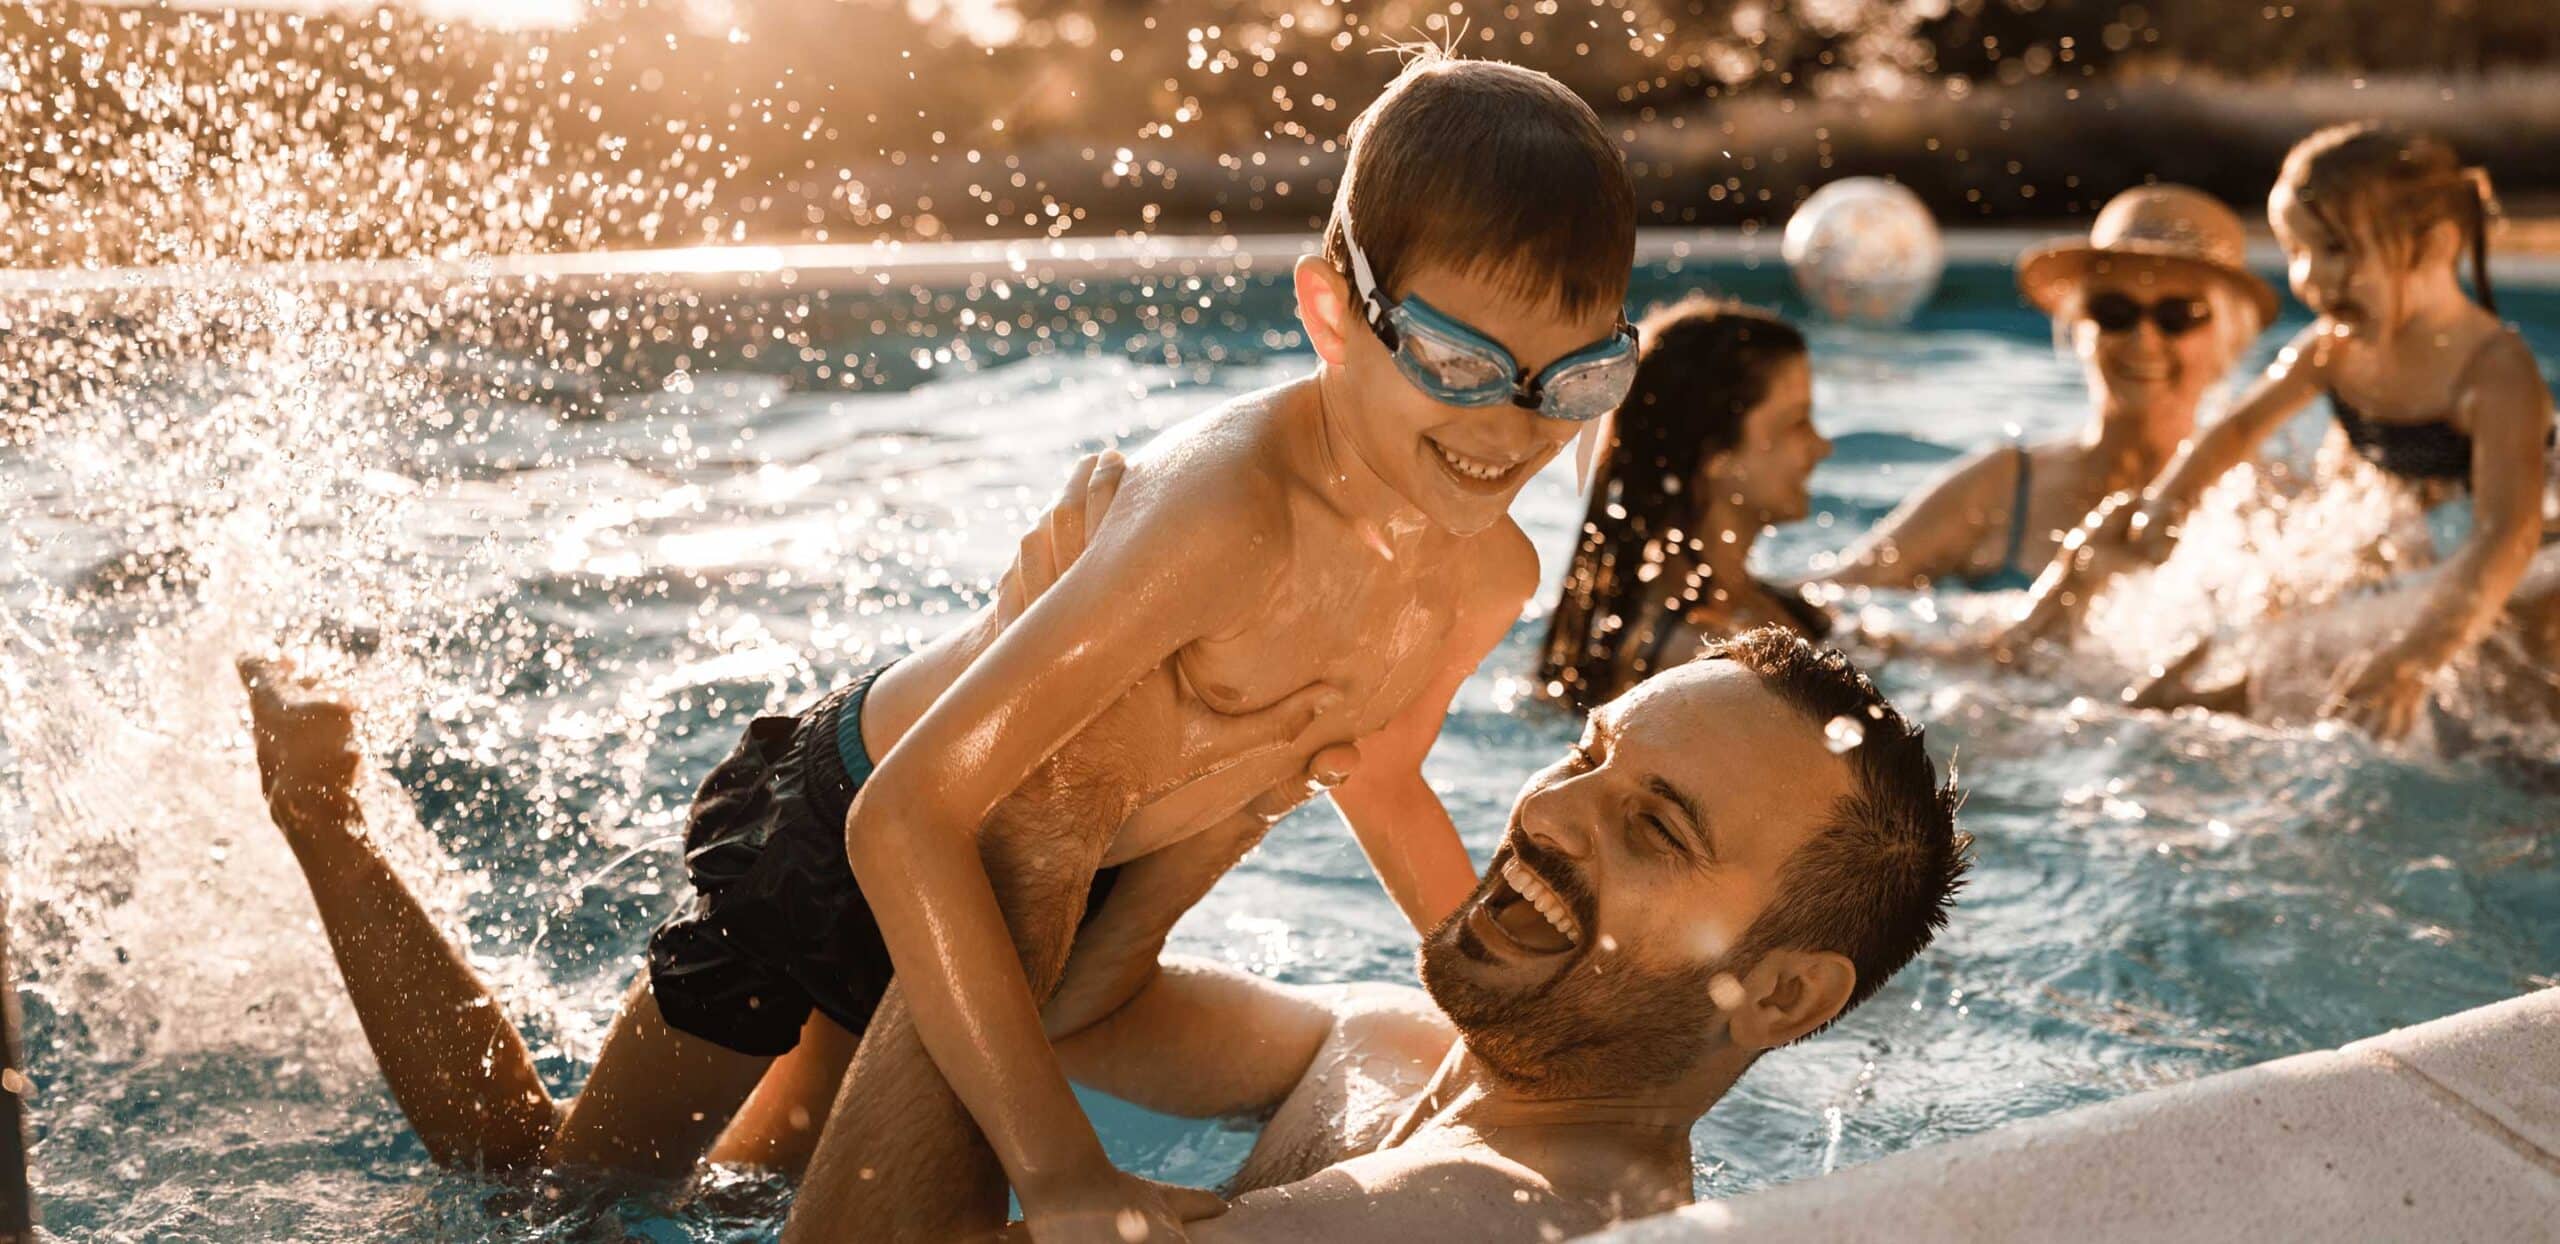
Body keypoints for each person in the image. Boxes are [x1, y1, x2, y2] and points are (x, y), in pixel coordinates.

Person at [249, 53, 1643, 1244]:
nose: (1508, 430)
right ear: (1333, 312)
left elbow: (1381, 780)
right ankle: (323, 813)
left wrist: (1532, 1032)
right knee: (562, 1198)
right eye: (1459, 366)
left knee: (758, 1194)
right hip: (848, 820)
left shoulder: (1486, 570)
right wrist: (1059, 1167)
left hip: (1035, 896)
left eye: (1574, 380)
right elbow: (911, 814)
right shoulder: (1230, 513)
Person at [237, 627, 1969, 1243]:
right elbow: (1058, 1018)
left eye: (1654, 824)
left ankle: (323, 823)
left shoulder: (1489, 1213)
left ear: (1791, 988)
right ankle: (325, 821)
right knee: (566, 1191)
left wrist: (1058, 809)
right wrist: (1210, 789)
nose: (1549, 810)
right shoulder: (1402, 1052)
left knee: (560, 1196)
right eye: (1592, 758)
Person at [2007, 124, 2558, 739]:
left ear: (2433, 245)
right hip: (2438, 545)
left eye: (2336, 250)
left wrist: (2416, 658)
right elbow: (2238, 428)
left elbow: (2510, 533)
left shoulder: (2494, 371)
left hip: (2535, 561)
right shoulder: (2333, 350)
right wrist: (2170, 501)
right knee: (2287, 629)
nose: (2312, 279)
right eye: (2297, 252)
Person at [1828, 186, 2275, 593]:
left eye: (2177, 316)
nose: (2144, 340)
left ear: (2230, 340)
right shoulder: (2002, 485)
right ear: (2079, 327)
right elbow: (1834, 598)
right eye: (2114, 311)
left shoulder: (2266, 508)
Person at [1535, 299, 1836, 710]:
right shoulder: (1690, 658)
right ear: (1716, 456)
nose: (1821, 447)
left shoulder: (1765, 603)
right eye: (1797, 423)